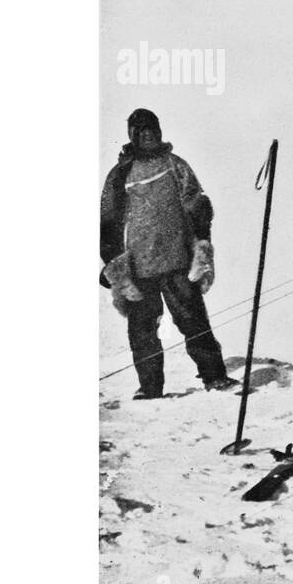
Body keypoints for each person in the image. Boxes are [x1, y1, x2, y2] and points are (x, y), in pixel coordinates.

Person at [100, 109, 237, 399]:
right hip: (138, 269)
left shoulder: (175, 165)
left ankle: (215, 377)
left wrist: (201, 244)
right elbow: (108, 220)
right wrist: (112, 262)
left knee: (194, 322)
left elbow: (198, 205)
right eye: (140, 131)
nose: (147, 135)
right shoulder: (120, 174)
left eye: (151, 129)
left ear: (159, 131)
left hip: (178, 262)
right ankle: (150, 389)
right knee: (142, 332)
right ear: (132, 136)